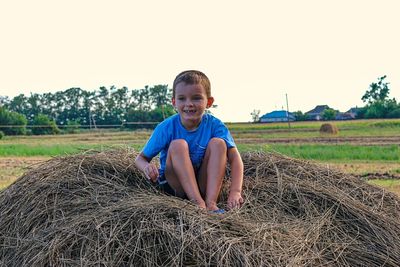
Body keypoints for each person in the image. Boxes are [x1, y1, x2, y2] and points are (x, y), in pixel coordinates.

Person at [135, 70, 244, 213]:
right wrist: (147, 168)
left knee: (219, 143)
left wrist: (235, 191)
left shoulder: (215, 125)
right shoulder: (166, 127)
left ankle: (211, 203)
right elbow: (140, 159)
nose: (189, 104)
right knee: (178, 145)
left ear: (209, 102)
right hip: (175, 186)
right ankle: (198, 204)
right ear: (174, 102)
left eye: (196, 98)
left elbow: (236, 159)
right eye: (182, 98)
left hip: (202, 183)